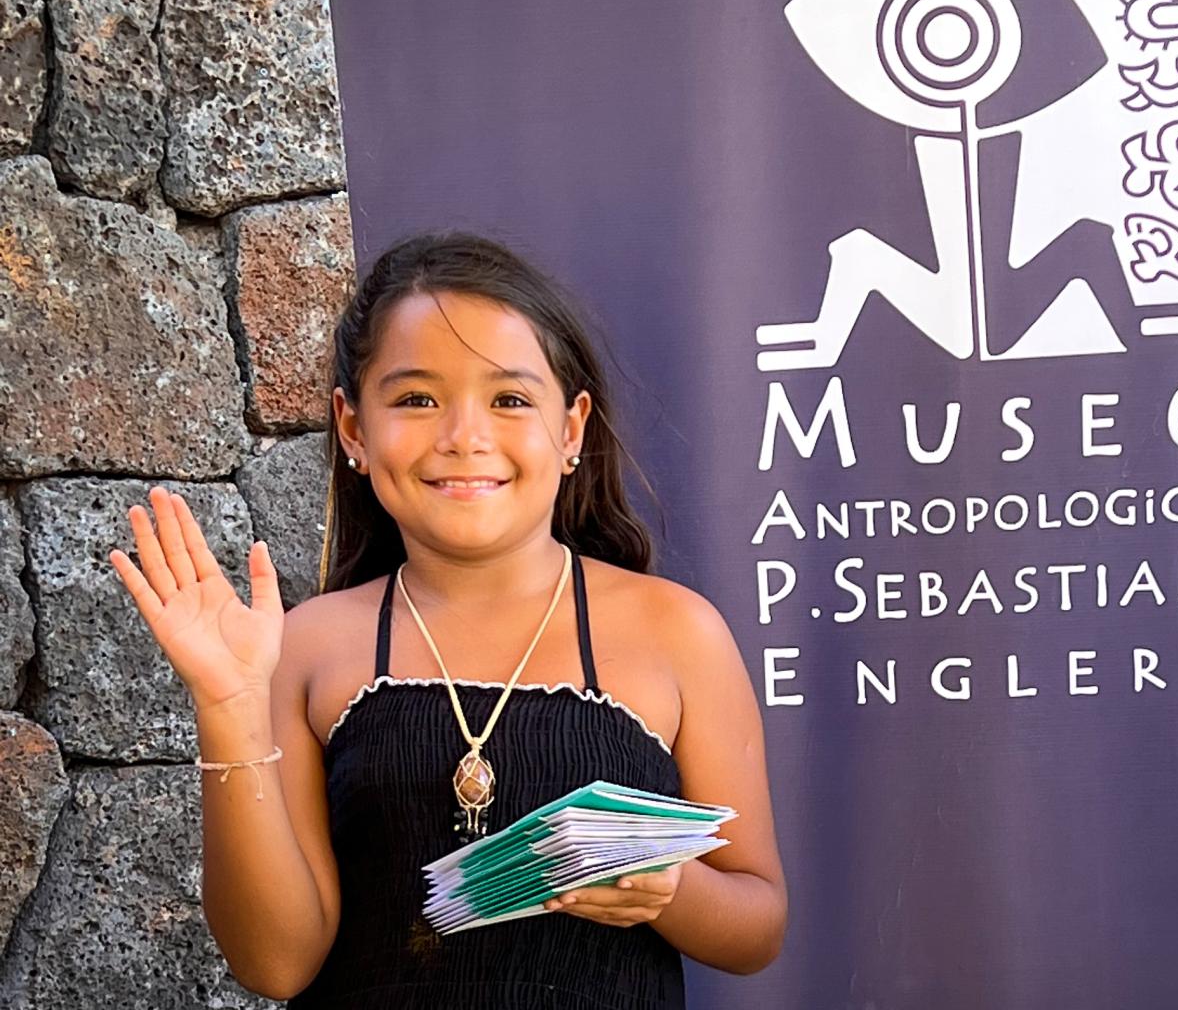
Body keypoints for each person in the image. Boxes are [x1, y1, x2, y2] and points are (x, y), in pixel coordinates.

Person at [110, 233, 786, 1008]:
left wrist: (670, 890)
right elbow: (276, 964)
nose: (464, 436)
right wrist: (228, 707)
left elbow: (758, 924)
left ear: (571, 430)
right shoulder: (307, 646)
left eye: (509, 399)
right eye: (416, 399)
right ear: (354, 429)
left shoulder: (678, 633)